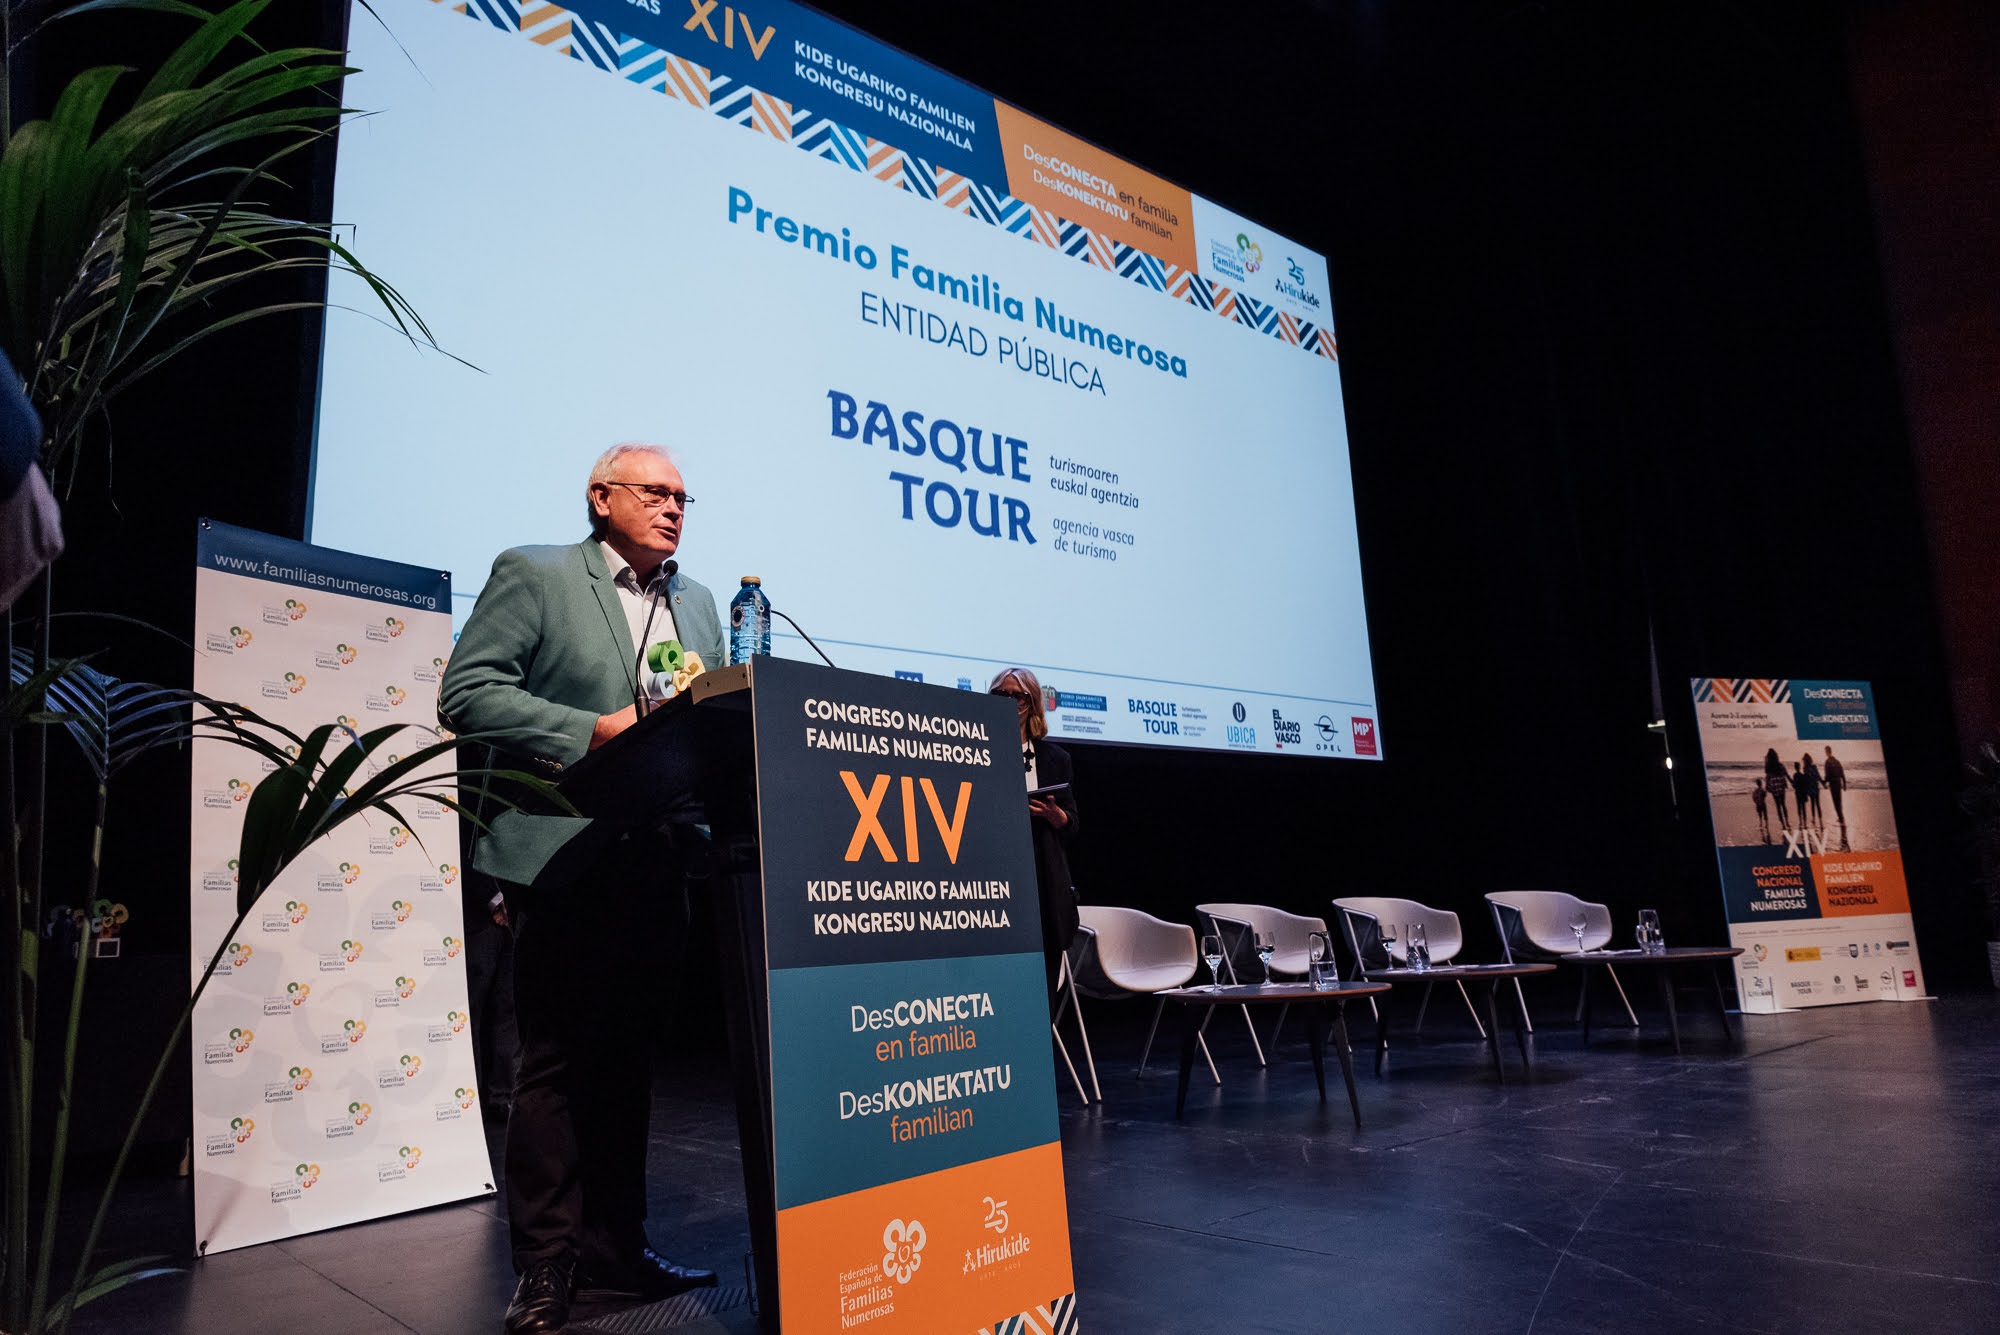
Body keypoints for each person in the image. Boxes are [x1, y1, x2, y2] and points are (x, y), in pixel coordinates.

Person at [440, 444, 726, 1335]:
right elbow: (467, 691)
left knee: (629, 1064)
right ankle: (546, 1265)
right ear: (602, 498)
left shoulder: (699, 602)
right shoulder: (537, 574)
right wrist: (590, 730)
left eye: (683, 497)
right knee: (555, 1065)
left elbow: (705, 722)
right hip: (565, 853)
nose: (674, 507)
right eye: (656, 492)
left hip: (657, 858)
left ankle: (617, 1248)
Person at [989, 667, 1080, 1005]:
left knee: (1042, 989)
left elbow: (1072, 822)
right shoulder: (976, 747)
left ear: (1033, 702)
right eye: (1002, 694)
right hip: (997, 875)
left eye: (1019, 696)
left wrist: (1057, 816)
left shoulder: (1056, 758)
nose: (1010, 701)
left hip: (1043, 877)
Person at [1763, 748, 1792, 831]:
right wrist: (1791, 781)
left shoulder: (1768, 766)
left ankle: (1783, 824)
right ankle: (1787, 821)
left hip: (1774, 786)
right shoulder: (1780, 765)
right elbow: (1786, 774)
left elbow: (1767, 777)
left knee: (1778, 806)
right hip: (1781, 784)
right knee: (1783, 804)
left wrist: (1766, 786)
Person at [1822, 746, 1848, 827]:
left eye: (1825, 751)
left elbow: (1827, 775)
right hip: (1838, 783)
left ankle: (1841, 819)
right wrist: (1844, 784)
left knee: (1835, 802)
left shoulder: (1827, 762)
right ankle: (1841, 817)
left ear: (1827, 752)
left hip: (1833, 784)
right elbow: (1842, 773)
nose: (1825, 753)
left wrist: (1824, 783)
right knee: (1839, 801)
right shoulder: (1837, 761)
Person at [1799, 752, 1825, 829]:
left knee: (1813, 804)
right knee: (1818, 804)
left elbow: (1806, 780)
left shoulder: (1805, 769)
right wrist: (1823, 783)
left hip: (1810, 788)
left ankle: (1813, 819)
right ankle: (1820, 821)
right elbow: (1818, 776)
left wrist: (1805, 791)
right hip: (1816, 787)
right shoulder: (1814, 767)